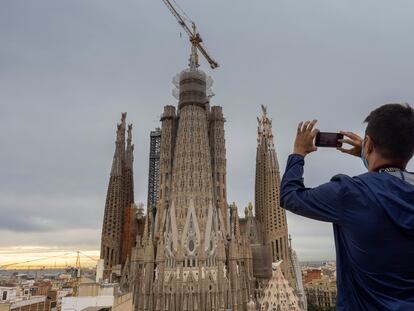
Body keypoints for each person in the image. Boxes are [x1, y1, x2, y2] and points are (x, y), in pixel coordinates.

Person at [280, 103, 414, 311]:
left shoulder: (351, 193)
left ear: (368, 144)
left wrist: (298, 153)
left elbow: (291, 197)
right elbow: (392, 183)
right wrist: (367, 156)